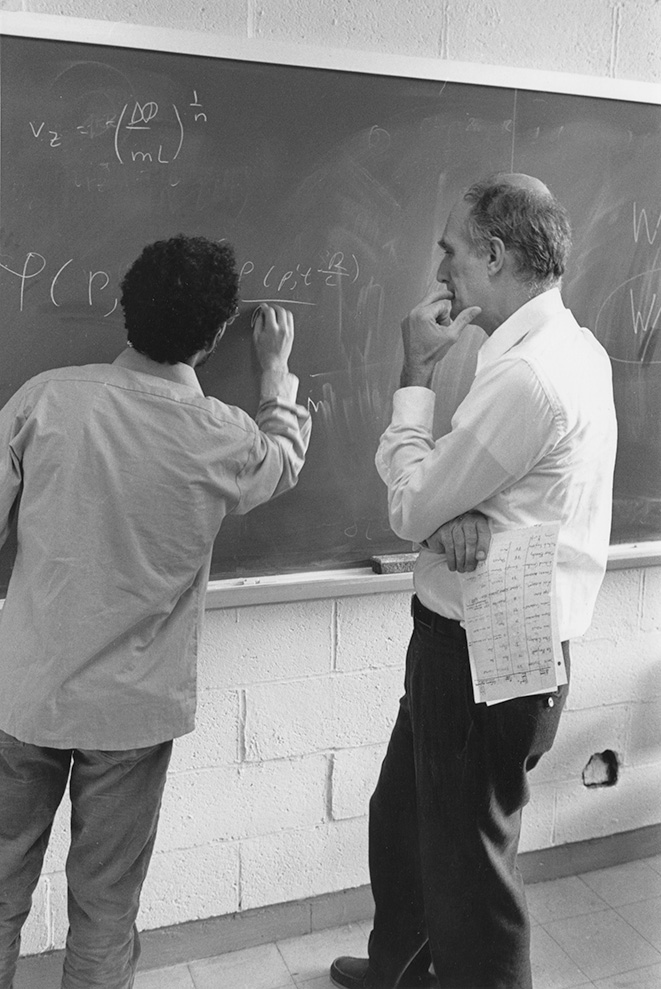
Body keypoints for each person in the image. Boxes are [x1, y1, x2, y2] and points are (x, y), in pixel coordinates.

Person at [0, 234, 311, 989]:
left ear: (122, 307)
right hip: (132, 716)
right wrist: (274, 375)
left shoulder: (46, 400)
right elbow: (284, 457)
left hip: (27, 691)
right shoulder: (226, 437)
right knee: (106, 909)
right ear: (212, 337)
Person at [331, 174, 617, 989]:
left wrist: (414, 372)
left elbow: (410, 501)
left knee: (471, 873)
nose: (441, 266)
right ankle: (401, 968)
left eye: (451, 249)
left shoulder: (528, 377)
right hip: (479, 636)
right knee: (403, 821)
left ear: (494, 253)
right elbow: (471, 501)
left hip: (483, 649)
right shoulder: (566, 347)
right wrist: (446, 511)